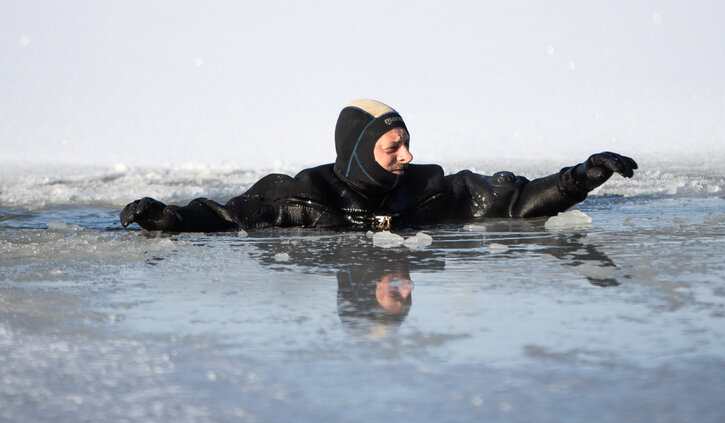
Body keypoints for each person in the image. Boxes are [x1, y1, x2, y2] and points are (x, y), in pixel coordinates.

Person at [120, 99, 637, 232]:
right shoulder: (305, 196)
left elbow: (515, 201)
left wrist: (578, 178)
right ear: (357, 152)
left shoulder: (430, 189)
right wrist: (172, 219)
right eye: (393, 148)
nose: (407, 156)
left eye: (407, 143)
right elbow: (227, 217)